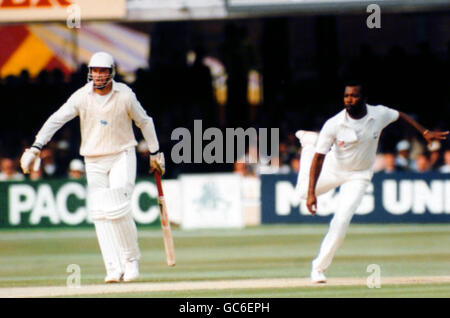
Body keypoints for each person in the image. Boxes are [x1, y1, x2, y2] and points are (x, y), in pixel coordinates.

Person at [20, 52, 165, 283]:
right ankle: (113, 267)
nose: (98, 75)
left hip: (122, 153)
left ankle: (131, 261)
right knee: (100, 214)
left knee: (117, 207)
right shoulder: (82, 96)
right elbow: (57, 119)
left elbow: (145, 121)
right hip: (93, 158)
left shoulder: (125, 95)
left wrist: (156, 153)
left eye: (102, 71)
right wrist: (35, 148)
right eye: (95, 70)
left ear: (111, 72)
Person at [294, 81, 448, 284]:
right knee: (303, 193)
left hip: (359, 176)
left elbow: (399, 115)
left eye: (354, 96)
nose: (349, 100)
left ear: (364, 99)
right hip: (333, 167)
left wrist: (424, 131)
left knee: (341, 220)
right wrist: (313, 192)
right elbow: (320, 159)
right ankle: (309, 144)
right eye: (346, 96)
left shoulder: (379, 114)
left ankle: (318, 268)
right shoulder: (334, 124)